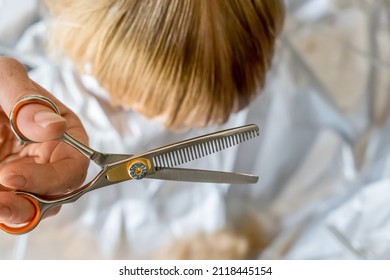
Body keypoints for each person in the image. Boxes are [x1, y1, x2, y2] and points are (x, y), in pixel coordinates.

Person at [0, 0, 284, 259]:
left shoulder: (255, 71)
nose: (166, 124)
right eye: (147, 106)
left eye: (186, 121)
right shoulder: (40, 104)